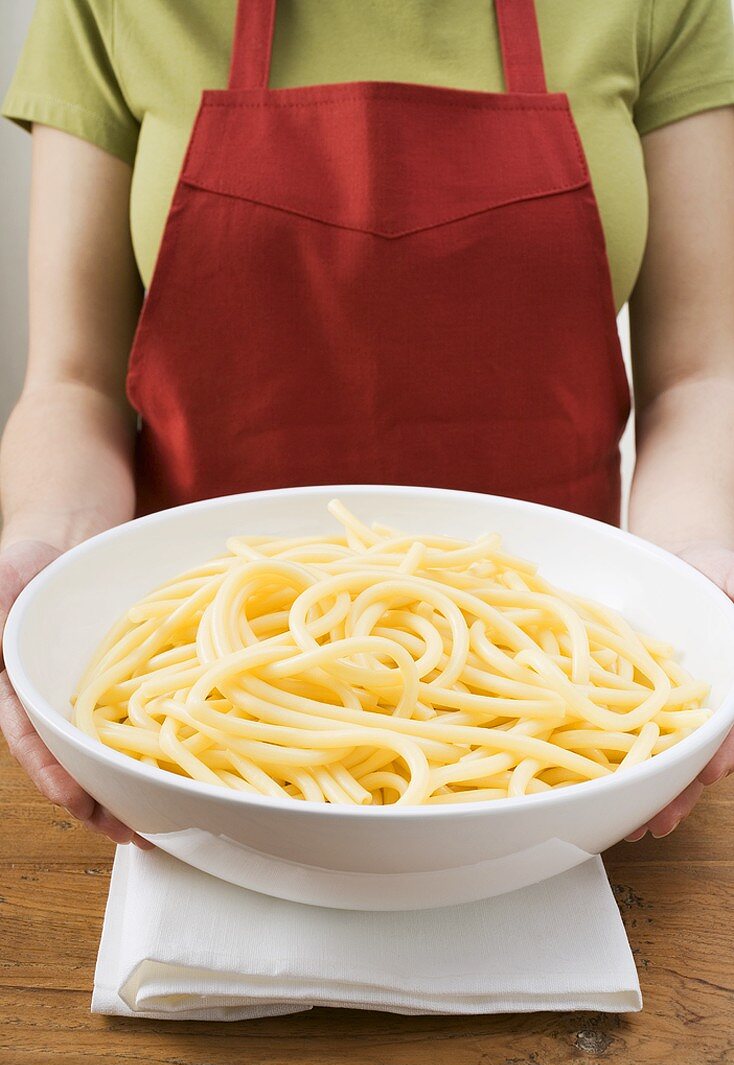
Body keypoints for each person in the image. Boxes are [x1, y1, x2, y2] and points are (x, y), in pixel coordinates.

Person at [1, 0, 733, 847]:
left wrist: (695, 578)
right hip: (192, 697)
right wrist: (46, 564)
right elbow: (72, 384)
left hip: (553, 692)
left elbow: (697, 379)